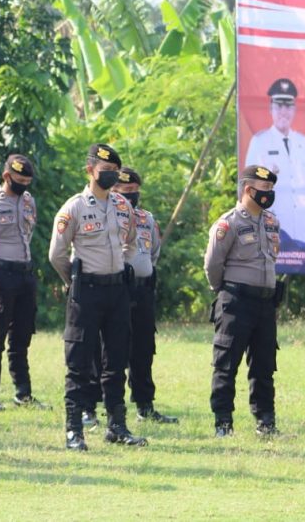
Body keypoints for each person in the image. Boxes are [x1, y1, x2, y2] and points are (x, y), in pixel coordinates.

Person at [49, 144, 144, 451]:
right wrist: (73, 280)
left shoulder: (121, 205)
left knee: (116, 361)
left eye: (114, 172)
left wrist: (122, 265)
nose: (111, 176)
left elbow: (131, 242)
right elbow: (56, 254)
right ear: (89, 171)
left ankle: (117, 426)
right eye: (105, 172)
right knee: (78, 363)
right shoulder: (73, 208)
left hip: (117, 292)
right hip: (85, 293)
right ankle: (74, 431)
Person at [204, 165, 282, 437]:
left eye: (271, 189)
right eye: (265, 190)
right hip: (236, 302)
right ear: (249, 190)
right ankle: (223, 422)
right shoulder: (229, 224)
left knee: (264, 365)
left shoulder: (271, 222)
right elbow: (213, 265)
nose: (269, 194)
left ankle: (265, 421)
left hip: (265, 304)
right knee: (226, 364)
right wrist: (224, 291)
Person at [0, 154, 44, 413]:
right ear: (6, 177)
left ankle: (22, 393)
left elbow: (28, 235)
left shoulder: (29, 202)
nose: (24, 185)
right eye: (19, 180)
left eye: (27, 180)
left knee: (22, 336)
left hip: (25, 273)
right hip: (0, 273)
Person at [115, 167, 177, 424]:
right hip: (117, 290)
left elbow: (153, 253)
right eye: (125, 191)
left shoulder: (147, 219)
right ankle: (105, 406)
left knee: (144, 349)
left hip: (143, 291)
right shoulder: (107, 216)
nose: (131, 196)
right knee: (114, 349)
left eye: (134, 191)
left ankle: (145, 405)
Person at [244, 78, 305, 246]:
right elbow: (249, 189)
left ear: (295, 109)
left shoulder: (302, 142)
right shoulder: (260, 141)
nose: (284, 111)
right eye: (279, 106)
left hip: (300, 228)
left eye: (288, 106)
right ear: (271, 108)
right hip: (271, 226)